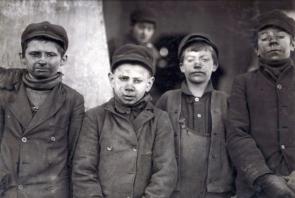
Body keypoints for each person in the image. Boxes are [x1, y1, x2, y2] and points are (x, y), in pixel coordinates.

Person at [72, 44, 177, 198]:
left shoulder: (160, 120)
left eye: (137, 80)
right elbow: (83, 171)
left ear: (149, 84)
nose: (129, 86)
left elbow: (165, 173)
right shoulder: (94, 118)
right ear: (111, 79)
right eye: (123, 78)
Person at [0, 21, 84, 197]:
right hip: (10, 190)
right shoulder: (5, 92)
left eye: (51, 55)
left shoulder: (72, 100)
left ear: (63, 59)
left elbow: (75, 155)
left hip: (50, 192)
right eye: (35, 54)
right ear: (22, 57)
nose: (42, 60)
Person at [156, 33, 235, 198]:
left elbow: (237, 147)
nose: (197, 64)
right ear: (181, 67)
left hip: (217, 192)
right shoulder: (167, 100)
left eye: (205, 60)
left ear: (214, 65)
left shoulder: (226, 102)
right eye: (190, 59)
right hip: (176, 192)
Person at [227, 10, 295, 198]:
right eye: (265, 38)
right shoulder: (243, 83)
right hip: (256, 188)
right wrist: (263, 177)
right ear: (256, 49)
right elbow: (237, 135)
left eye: (280, 36)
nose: (273, 41)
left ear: (293, 43)